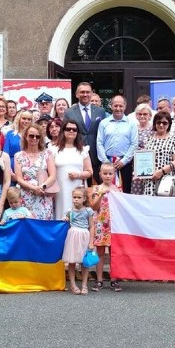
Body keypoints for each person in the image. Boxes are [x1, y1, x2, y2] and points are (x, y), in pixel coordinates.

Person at [49, 119, 94, 218]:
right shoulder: (53, 149)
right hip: (59, 190)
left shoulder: (83, 150)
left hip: (77, 189)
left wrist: (78, 175)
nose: (71, 131)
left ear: (78, 132)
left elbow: (90, 172)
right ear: (63, 131)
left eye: (74, 129)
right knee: (60, 215)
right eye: (68, 129)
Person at [89, 161, 121, 292]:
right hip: (100, 224)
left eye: (110, 173)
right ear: (100, 174)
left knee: (114, 253)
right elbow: (94, 207)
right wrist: (101, 194)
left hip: (114, 224)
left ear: (114, 174)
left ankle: (114, 279)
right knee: (100, 253)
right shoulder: (96, 189)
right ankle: (99, 280)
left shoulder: (117, 189)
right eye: (105, 173)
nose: (107, 176)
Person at [64, 82, 107, 179]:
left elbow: (103, 134)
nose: (85, 94)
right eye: (82, 92)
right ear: (77, 94)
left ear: (91, 94)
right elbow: (65, 134)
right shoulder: (69, 112)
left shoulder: (100, 111)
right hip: (77, 155)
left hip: (96, 156)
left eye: (88, 92)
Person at [14, 124, 56, 220]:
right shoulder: (18, 156)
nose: (34, 138)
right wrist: (33, 188)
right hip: (25, 195)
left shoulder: (47, 154)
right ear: (25, 136)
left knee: (44, 225)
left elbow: (53, 176)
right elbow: (19, 179)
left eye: (37, 136)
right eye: (31, 136)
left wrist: (42, 187)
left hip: (43, 194)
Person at [96, 95, 138, 193]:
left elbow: (134, 144)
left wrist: (124, 161)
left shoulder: (131, 124)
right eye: (115, 106)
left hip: (124, 164)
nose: (118, 108)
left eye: (120, 106)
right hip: (107, 163)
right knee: (105, 192)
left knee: (125, 191)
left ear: (125, 106)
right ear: (111, 106)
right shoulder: (104, 123)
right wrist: (106, 162)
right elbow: (99, 143)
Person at [138, 111, 175, 197]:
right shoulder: (149, 140)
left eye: (164, 123)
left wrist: (161, 172)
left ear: (169, 124)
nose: (161, 125)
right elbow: (144, 159)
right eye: (158, 122)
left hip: (167, 179)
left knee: (165, 207)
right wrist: (140, 172)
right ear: (155, 123)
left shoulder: (174, 140)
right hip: (150, 180)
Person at [61, 187, 96, 295]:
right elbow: (64, 221)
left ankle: (84, 284)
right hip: (72, 236)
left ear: (84, 198)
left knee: (84, 262)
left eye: (79, 197)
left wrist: (91, 242)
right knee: (71, 261)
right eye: (74, 197)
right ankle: (72, 284)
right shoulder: (69, 211)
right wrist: (65, 219)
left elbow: (91, 227)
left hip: (84, 236)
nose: (76, 199)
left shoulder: (88, 211)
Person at [130, 103, 154, 195]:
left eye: (145, 114)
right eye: (140, 114)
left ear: (150, 116)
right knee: (137, 190)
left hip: (149, 165)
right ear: (136, 115)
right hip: (135, 164)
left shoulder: (154, 129)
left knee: (148, 190)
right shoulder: (132, 128)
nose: (142, 116)